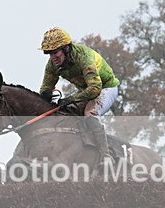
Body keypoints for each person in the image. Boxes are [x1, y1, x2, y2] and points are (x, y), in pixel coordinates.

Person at [38, 27, 120, 172]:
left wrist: (70, 99)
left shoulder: (83, 57)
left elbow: (95, 89)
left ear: (67, 48)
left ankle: (106, 157)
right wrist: (45, 97)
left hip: (106, 89)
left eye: (55, 52)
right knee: (65, 114)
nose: (53, 57)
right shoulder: (52, 65)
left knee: (90, 114)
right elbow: (46, 87)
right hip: (86, 90)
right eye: (49, 53)